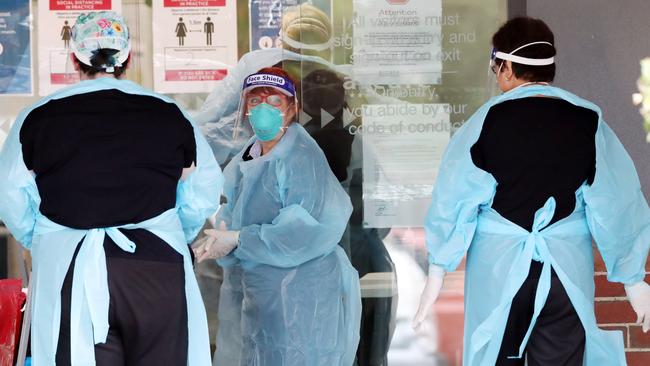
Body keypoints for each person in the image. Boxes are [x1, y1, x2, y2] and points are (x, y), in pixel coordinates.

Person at [413, 17, 650, 366]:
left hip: (501, 277)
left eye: (496, 67)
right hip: (565, 277)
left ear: (507, 67)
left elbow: (454, 199)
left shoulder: (484, 122)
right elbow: (618, 203)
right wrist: (633, 280)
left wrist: (438, 268)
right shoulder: (587, 120)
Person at [0, 11, 223, 366]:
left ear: (74, 59)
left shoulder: (38, 117)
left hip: (72, 266)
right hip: (157, 265)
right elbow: (205, 185)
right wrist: (171, 232)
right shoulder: (169, 113)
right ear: (128, 59)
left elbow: (10, 195)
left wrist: (46, 238)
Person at [192, 67, 361, 366]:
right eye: (255, 102)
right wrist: (222, 237)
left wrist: (239, 239)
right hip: (261, 293)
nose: (263, 110)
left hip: (301, 294)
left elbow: (306, 233)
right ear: (245, 109)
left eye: (274, 102)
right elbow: (233, 211)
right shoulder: (251, 156)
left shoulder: (299, 156)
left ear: (293, 109)